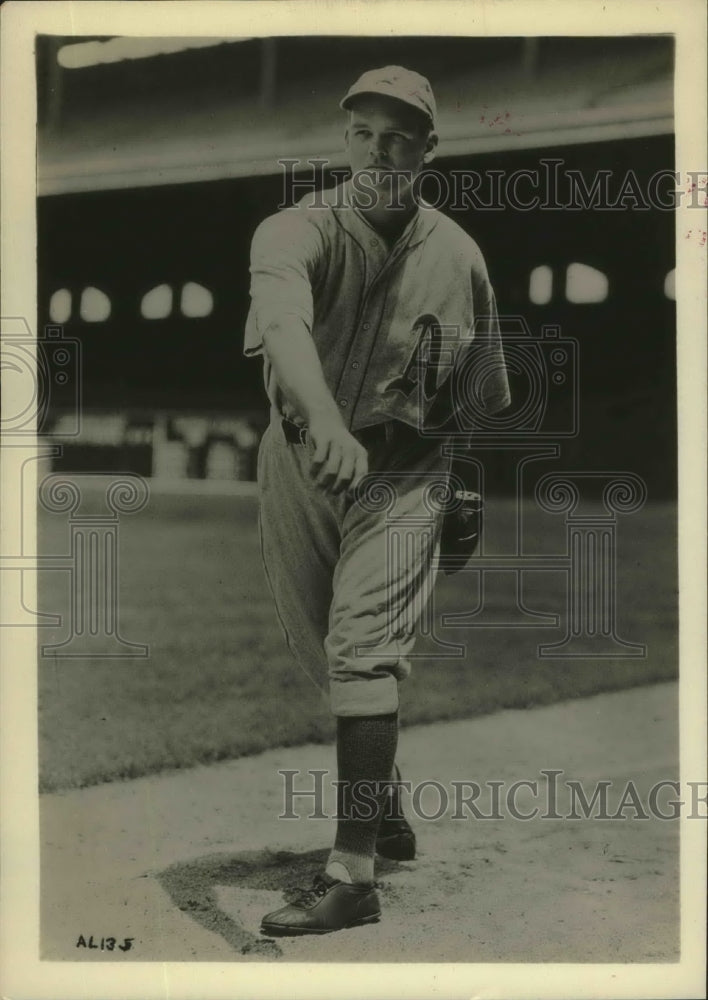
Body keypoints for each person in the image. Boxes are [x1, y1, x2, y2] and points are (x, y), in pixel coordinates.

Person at [244, 65, 510, 936]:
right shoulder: (294, 227)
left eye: (398, 134)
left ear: (429, 147)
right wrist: (324, 421)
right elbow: (281, 326)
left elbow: (476, 391)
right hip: (299, 461)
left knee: (362, 653)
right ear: (344, 136)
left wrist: (461, 482)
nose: (377, 149)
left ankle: (352, 876)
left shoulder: (460, 254)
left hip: (405, 474)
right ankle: (387, 808)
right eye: (362, 131)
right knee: (323, 650)